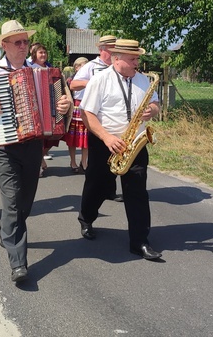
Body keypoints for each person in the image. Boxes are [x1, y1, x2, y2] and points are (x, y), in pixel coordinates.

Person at [0, 20, 70, 283]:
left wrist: (64, 105)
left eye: (26, 42)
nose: (24, 47)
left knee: (25, 203)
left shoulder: (41, 72)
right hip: (4, 146)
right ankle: (18, 264)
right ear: (5, 46)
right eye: (18, 42)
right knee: (11, 202)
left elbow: (57, 108)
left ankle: (7, 231)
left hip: (33, 146)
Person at [77, 39, 162, 261]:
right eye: (132, 59)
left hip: (134, 142)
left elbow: (156, 104)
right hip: (105, 142)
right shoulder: (100, 80)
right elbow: (87, 114)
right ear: (116, 59)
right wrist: (106, 137)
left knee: (137, 193)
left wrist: (151, 110)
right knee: (98, 186)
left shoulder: (143, 80)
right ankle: (86, 217)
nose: (137, 63)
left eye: (137, 58)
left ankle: (140, 241)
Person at [71, 34, 123, 200]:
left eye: (116, 48)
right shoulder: (91, 66)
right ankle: (93, 192)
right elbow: (73, 84)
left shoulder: (118, 66)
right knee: (97, 157)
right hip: (94, 112)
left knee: (115, 153)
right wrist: (94, 82)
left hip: (113, 114)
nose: (114, 51)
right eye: (110, 48)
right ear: (101, 50)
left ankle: (110, 190)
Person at [29, 42, 57, 177]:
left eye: (45, 52)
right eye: (40, 52)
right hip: (34, 107)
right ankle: (39, 163)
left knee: (48, 136)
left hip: (47, 106)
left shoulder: (50, 68)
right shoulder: (28, 67)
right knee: (36, 138)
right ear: (34, 54)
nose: (44, 55)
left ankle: (40, 161)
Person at [64, 57, 89, 173]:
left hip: (87, 108)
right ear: (76, 67)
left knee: (86, 138)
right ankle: (72, 161)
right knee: (73, 138)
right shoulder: (71, 80)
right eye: (83, 66)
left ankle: (84, 162)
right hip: (75, 108)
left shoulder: (90, 78)